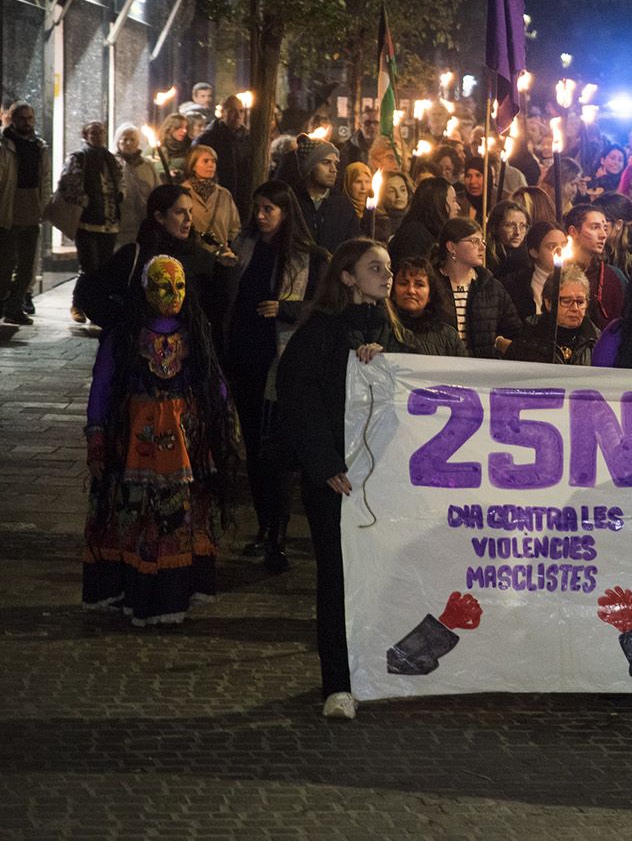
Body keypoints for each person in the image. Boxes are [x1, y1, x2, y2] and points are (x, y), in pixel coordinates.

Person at [274, 238, 404, 718]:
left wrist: (386, 360)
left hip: (381, 479)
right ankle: (339, 682)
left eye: (388, 267)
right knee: (337, 578)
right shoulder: (321, 332)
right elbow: (296, 395)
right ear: (347, 277)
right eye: (375, 267)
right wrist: (324, 463)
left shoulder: (392, 331)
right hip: (337, 480)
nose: (386, 276)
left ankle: (378, 668)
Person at [83, 255, 238, 625]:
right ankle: (130, 589)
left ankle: (173, 593)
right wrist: (97, 434)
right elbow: (102, 385)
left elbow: (214, 380)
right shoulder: (124, 334)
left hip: (186, 444)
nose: (173, 294)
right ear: (145, 289)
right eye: (163, 286)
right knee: (132, 514)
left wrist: (223, 426)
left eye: (180, 286)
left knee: (178, 517)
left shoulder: (195, 332)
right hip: (132, 441)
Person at [222, 181, 327, 571]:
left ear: (286, 212)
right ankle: (264, 527)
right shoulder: (246, 247)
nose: (261, 216)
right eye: (258, 208)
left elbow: (321, 306)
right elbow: (230, 296)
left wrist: (286, 308)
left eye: (269, 209)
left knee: (276, 451)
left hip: (282, 362)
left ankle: (278, 534)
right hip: (247, 354)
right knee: (253, 446)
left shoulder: (308, 257)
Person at [75, 184, 221, 331]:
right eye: (179, 212)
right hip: (137, 350)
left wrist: (226, 271)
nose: (188, 219)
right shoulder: (133, 256)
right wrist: (126, 324)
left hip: (186, 350)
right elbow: (90, 294)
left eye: (190, 211)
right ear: (159, 217)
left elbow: (216, 308)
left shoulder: (200, 258)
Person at [57, 122, 123, 319]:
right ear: (85, 135)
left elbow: (120, 182)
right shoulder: (79, 158)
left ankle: (96, 305)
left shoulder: (111, 158)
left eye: (101, 132)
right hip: (87, 221)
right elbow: (67, 184)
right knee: (89, 266)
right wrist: (84, 201)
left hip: (109, 221)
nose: (98, 136)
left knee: (103, 267)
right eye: (93, 132)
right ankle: (78, 304)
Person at [433, 218, 518, 359]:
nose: (482, 247)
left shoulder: (491, 287)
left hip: (481, 370)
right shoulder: (432, 283)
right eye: (474, 241)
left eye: (482, 241)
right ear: (451, 247)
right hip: (441, 367)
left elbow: (513, 329)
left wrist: (499, 342)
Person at [1, 102, 46, 324]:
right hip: (9, 208)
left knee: (27, 266)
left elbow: (44, 178)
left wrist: (44, 206)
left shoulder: (39, 145)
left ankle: (15, 306)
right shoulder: (5, 144)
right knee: (6, 263)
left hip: (31, 207)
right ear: (12, 118)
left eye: (30, 118)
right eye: (22, 118)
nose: (27, 122)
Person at [506, 266, 600, 364]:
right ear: (548, 303)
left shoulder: (596, 341)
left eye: (580, 302)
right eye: (567, 301)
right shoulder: (528, 340)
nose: (575, 308)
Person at [295, 137, 362, 255]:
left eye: (335, 163)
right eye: (326, 162)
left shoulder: (343, 206)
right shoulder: (292, 202)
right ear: (309, 167)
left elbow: (353, 248)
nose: (334, 170)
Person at [390, 256, 468, 356]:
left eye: (419, 284)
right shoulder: (381, 331)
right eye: (403, 283)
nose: (411, 290)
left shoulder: (449, 337)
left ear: (430, 295)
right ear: (392, 292)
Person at [567, 202, 627, 327]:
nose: (603, 235)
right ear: (574, 232)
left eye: (605, 228)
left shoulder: (614, 276)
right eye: (595, 227)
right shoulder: (559, 273)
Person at [182, 144, 242, 255]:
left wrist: (227, 244)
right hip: (191, 256)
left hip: (218, 258)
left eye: (213, 161)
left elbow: (235, 226)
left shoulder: (224, 194)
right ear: (193, 166)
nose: (211, 165)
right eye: (205, 161)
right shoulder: (182, 192)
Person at [387, 177, 458, 268]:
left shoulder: (433, 232)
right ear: (438, 203)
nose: (458, 207)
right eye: (453, 201)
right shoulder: (415, 234)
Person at [195, 95, 251, 205]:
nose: (238, 115)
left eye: (241, 111)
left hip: (243, 199)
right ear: (223, 113)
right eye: (232, 111)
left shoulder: (248, 139)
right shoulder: (208, 138)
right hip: (216, 199)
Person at [115, 124, 161, 250]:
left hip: (144, 224)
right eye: (124, 139)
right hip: (121, 225)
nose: (128, 143)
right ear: (118, 142)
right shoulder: (112, 164)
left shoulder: (148, 166)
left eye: (132, 139)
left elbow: (157, 191)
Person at [486, 199, 532, 289]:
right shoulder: (484, 257)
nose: (517, 232)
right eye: (510, 225)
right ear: (495, 227)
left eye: (523, 226)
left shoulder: (529, 261)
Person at [373, 170, 411, 243]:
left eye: (403, 190)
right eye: (391, 191)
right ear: (381, 195)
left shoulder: (414, 220)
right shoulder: (375, 223)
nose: (398, 195)